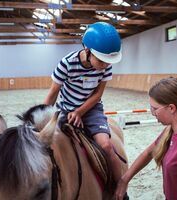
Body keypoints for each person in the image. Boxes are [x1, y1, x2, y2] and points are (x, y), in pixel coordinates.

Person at [43, 22, 123, 183]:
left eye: (108, 62)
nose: (105, 66)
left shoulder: (105, 66)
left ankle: (121, 188)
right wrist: (41, 119)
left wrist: (80, 112)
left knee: (106, 146)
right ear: (87, 51)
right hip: (65, 109)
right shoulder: (66, 63)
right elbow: (52, 94)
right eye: (101, 61)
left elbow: (98, 94)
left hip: (91, 109)